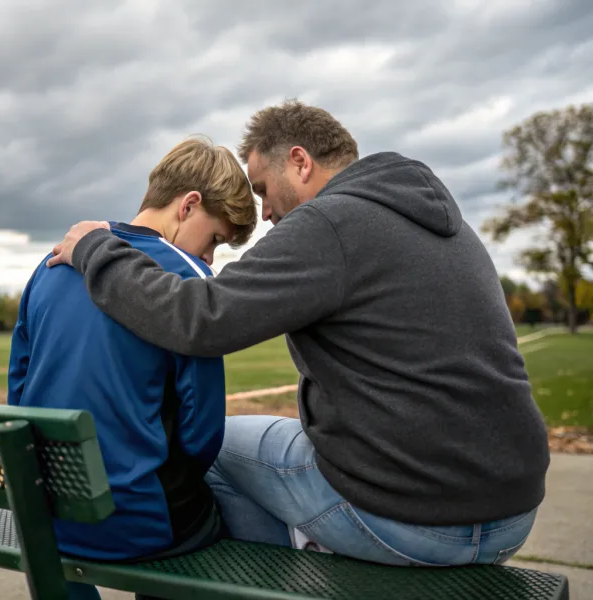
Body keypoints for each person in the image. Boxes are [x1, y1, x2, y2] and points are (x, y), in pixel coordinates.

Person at [45, 100, 551, 567]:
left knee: (204, 453)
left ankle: (299, 559)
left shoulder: (329, 222)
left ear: (300, 162)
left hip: (412, 521)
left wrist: (96, 249)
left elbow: (201, 317)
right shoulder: (441, 220)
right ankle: (313, 546)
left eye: (263, 188)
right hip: (511, 512)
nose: (265, 212)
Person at [8, 137, 257, 599]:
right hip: (134, 521)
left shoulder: (50, 263)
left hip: (49, 512)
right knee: (225, 515)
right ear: (188, 205)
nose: (210, 258)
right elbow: (202, 433)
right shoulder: (187, 276)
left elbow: (18, 391)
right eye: (216, 239)